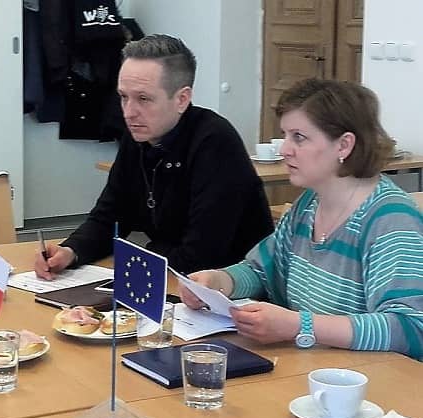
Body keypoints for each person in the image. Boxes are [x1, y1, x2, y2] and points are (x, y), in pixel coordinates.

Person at [181, 78, 423, 359]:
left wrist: (301, 326)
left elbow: (410, 328)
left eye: (299, 137)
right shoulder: (309, 203)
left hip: (366, 379)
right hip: (312, 366)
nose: (284, 149)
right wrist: (220, 282)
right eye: (285, 135)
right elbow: (263, 270)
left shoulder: (391, 221)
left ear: (344, 145)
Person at [35, 34, 273, 279]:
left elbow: (202, 255)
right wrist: (71, 251)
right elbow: (110, 215)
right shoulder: (139, 136)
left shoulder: (215, 141)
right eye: (123, 97)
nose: (129, 112)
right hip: (171, 276)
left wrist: (144, 256)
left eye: (144, 99)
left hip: (230, 288)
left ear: (182, 99)